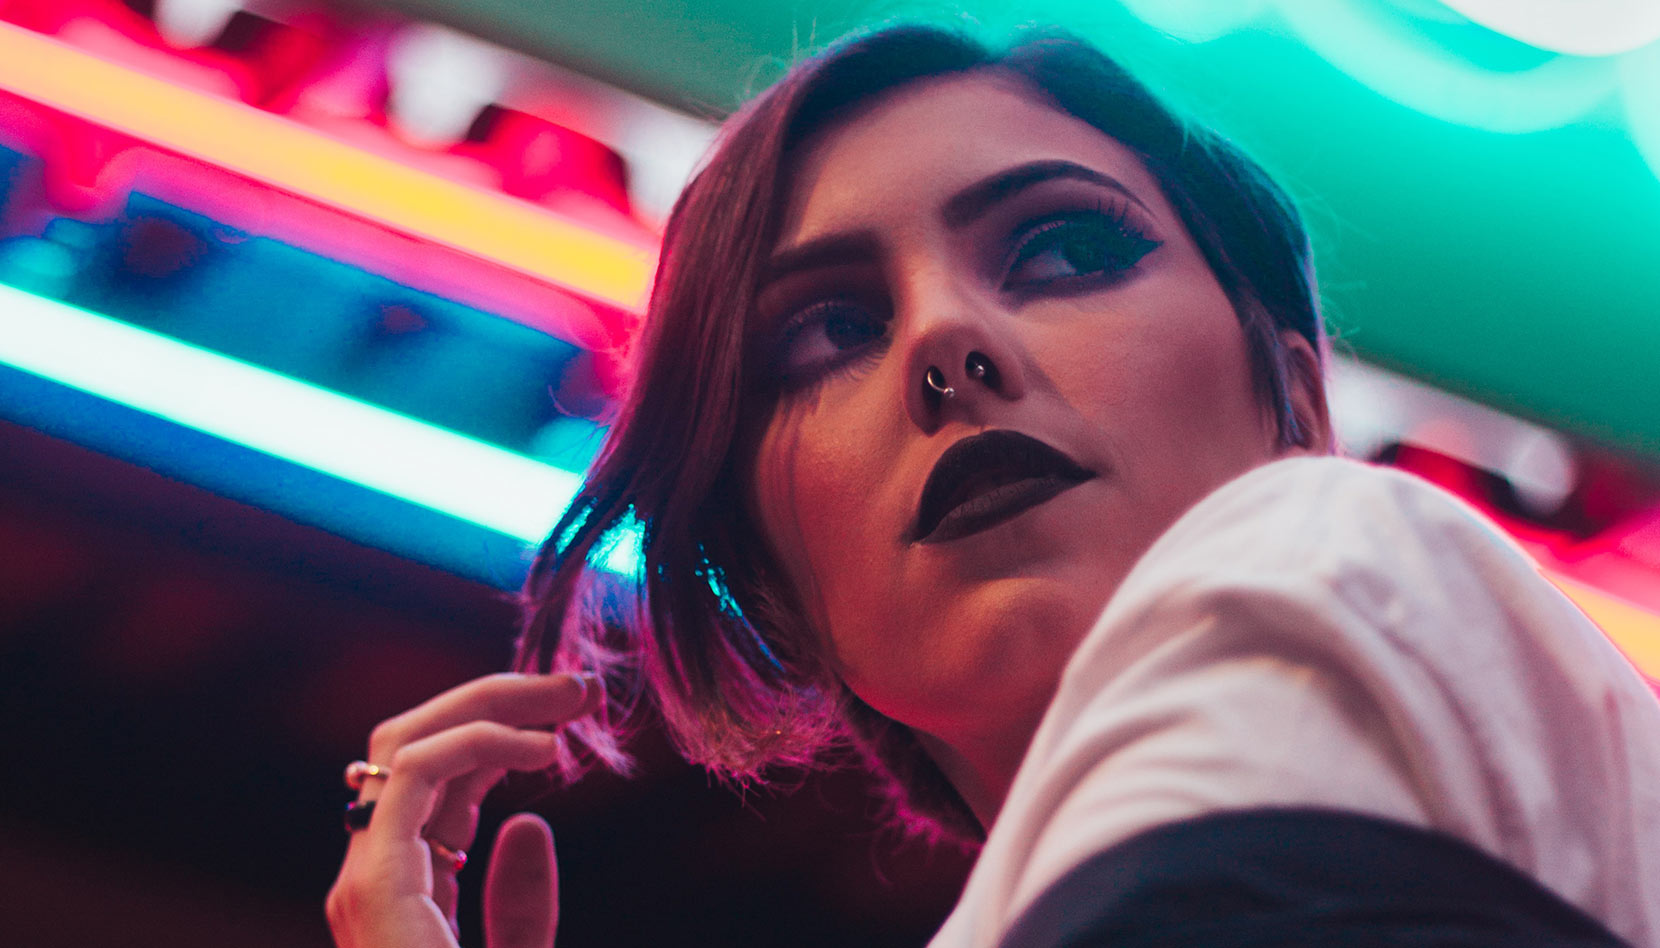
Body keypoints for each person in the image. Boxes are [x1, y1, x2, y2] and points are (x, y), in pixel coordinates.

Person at [326, 24, 1660, 948]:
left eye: (1067, 250)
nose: (943, 340)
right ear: (775, 593)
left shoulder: (1342, 545)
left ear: (1297, 401)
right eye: (828, 332)